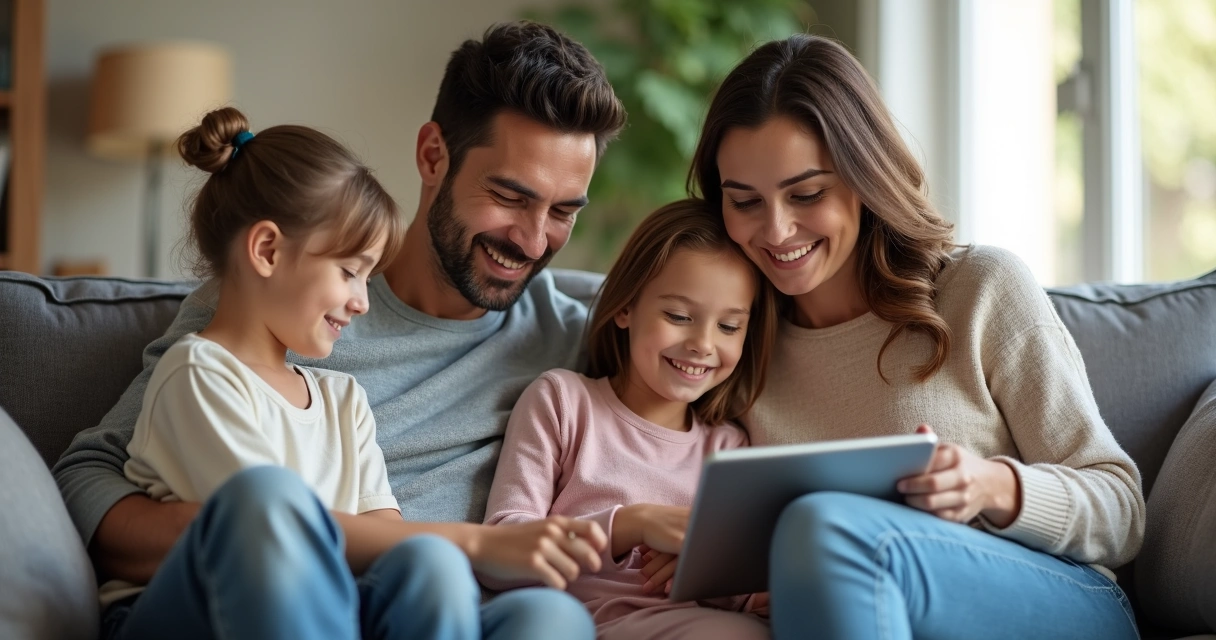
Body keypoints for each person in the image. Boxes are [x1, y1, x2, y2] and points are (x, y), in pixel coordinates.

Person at [52, 21, 626, 639]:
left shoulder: (584, 341)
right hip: (249, 595)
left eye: (563, 211)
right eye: (511, 197)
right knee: (273, 510)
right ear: (434, 154)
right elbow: (89, 476)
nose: (535, 239)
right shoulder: (269, 301)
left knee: (551, 618)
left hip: (422, 605)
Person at [688, 34, 1144, 639]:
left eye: (807, 194)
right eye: (744, 201)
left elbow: (1121, 511)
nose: (776, 229)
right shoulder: (732, 340)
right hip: (868, 608)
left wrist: (993, 485)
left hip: (1063, 601)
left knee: (827, 527)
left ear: (863, 175)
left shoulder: (980, 288)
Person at [101, 105, 456, 639]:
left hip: (317, 606)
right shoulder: (197, 373)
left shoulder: (344, 400)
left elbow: (388, 539)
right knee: (269, 501)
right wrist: (474, 542)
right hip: (193, 612)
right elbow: (270, 536)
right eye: (349, 272)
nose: (363, 301)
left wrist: (440, 556)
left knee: (430, 562)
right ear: (267, 250)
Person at [483, 199, 779, 639]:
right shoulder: (563, 401)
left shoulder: (729, 448)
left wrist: (717, 570)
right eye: (679, 317)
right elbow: (502, 549)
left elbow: (739, 594)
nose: (702, 344)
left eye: (729, 327)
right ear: (626, 308)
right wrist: (632, 524)